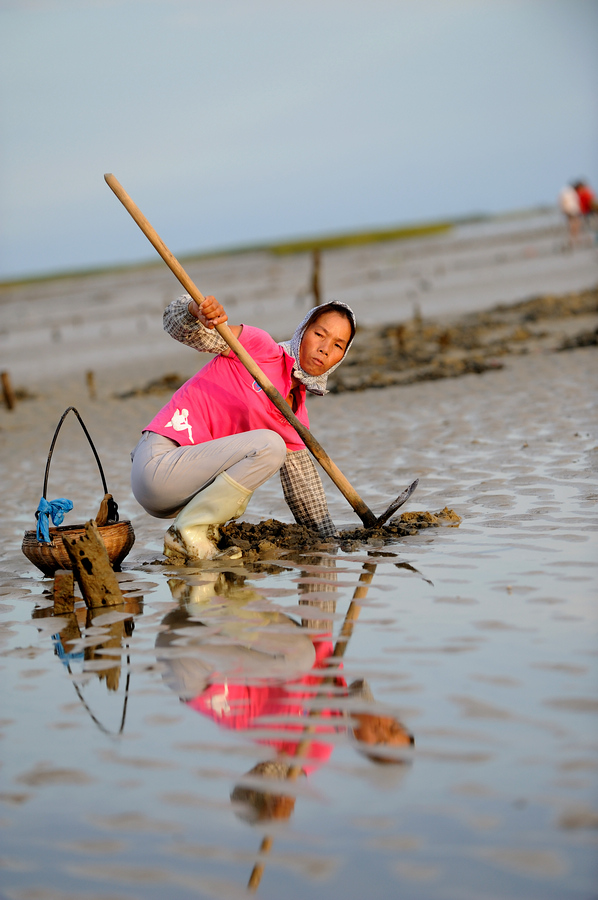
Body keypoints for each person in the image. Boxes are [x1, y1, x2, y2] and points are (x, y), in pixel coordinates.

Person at [130, 294, 356, 560]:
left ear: (341, 357)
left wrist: (330, 545)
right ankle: (189, 532)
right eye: (320, 334)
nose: (325, 348)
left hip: (182, 497)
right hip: (159, 464)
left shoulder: (296, 420)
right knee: (270, 445)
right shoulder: (259, 348)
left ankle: (197, 534)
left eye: (338, 345)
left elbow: (306, 497)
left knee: (271, 450)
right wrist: (194, 310)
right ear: (303, 331)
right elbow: (180, 328)